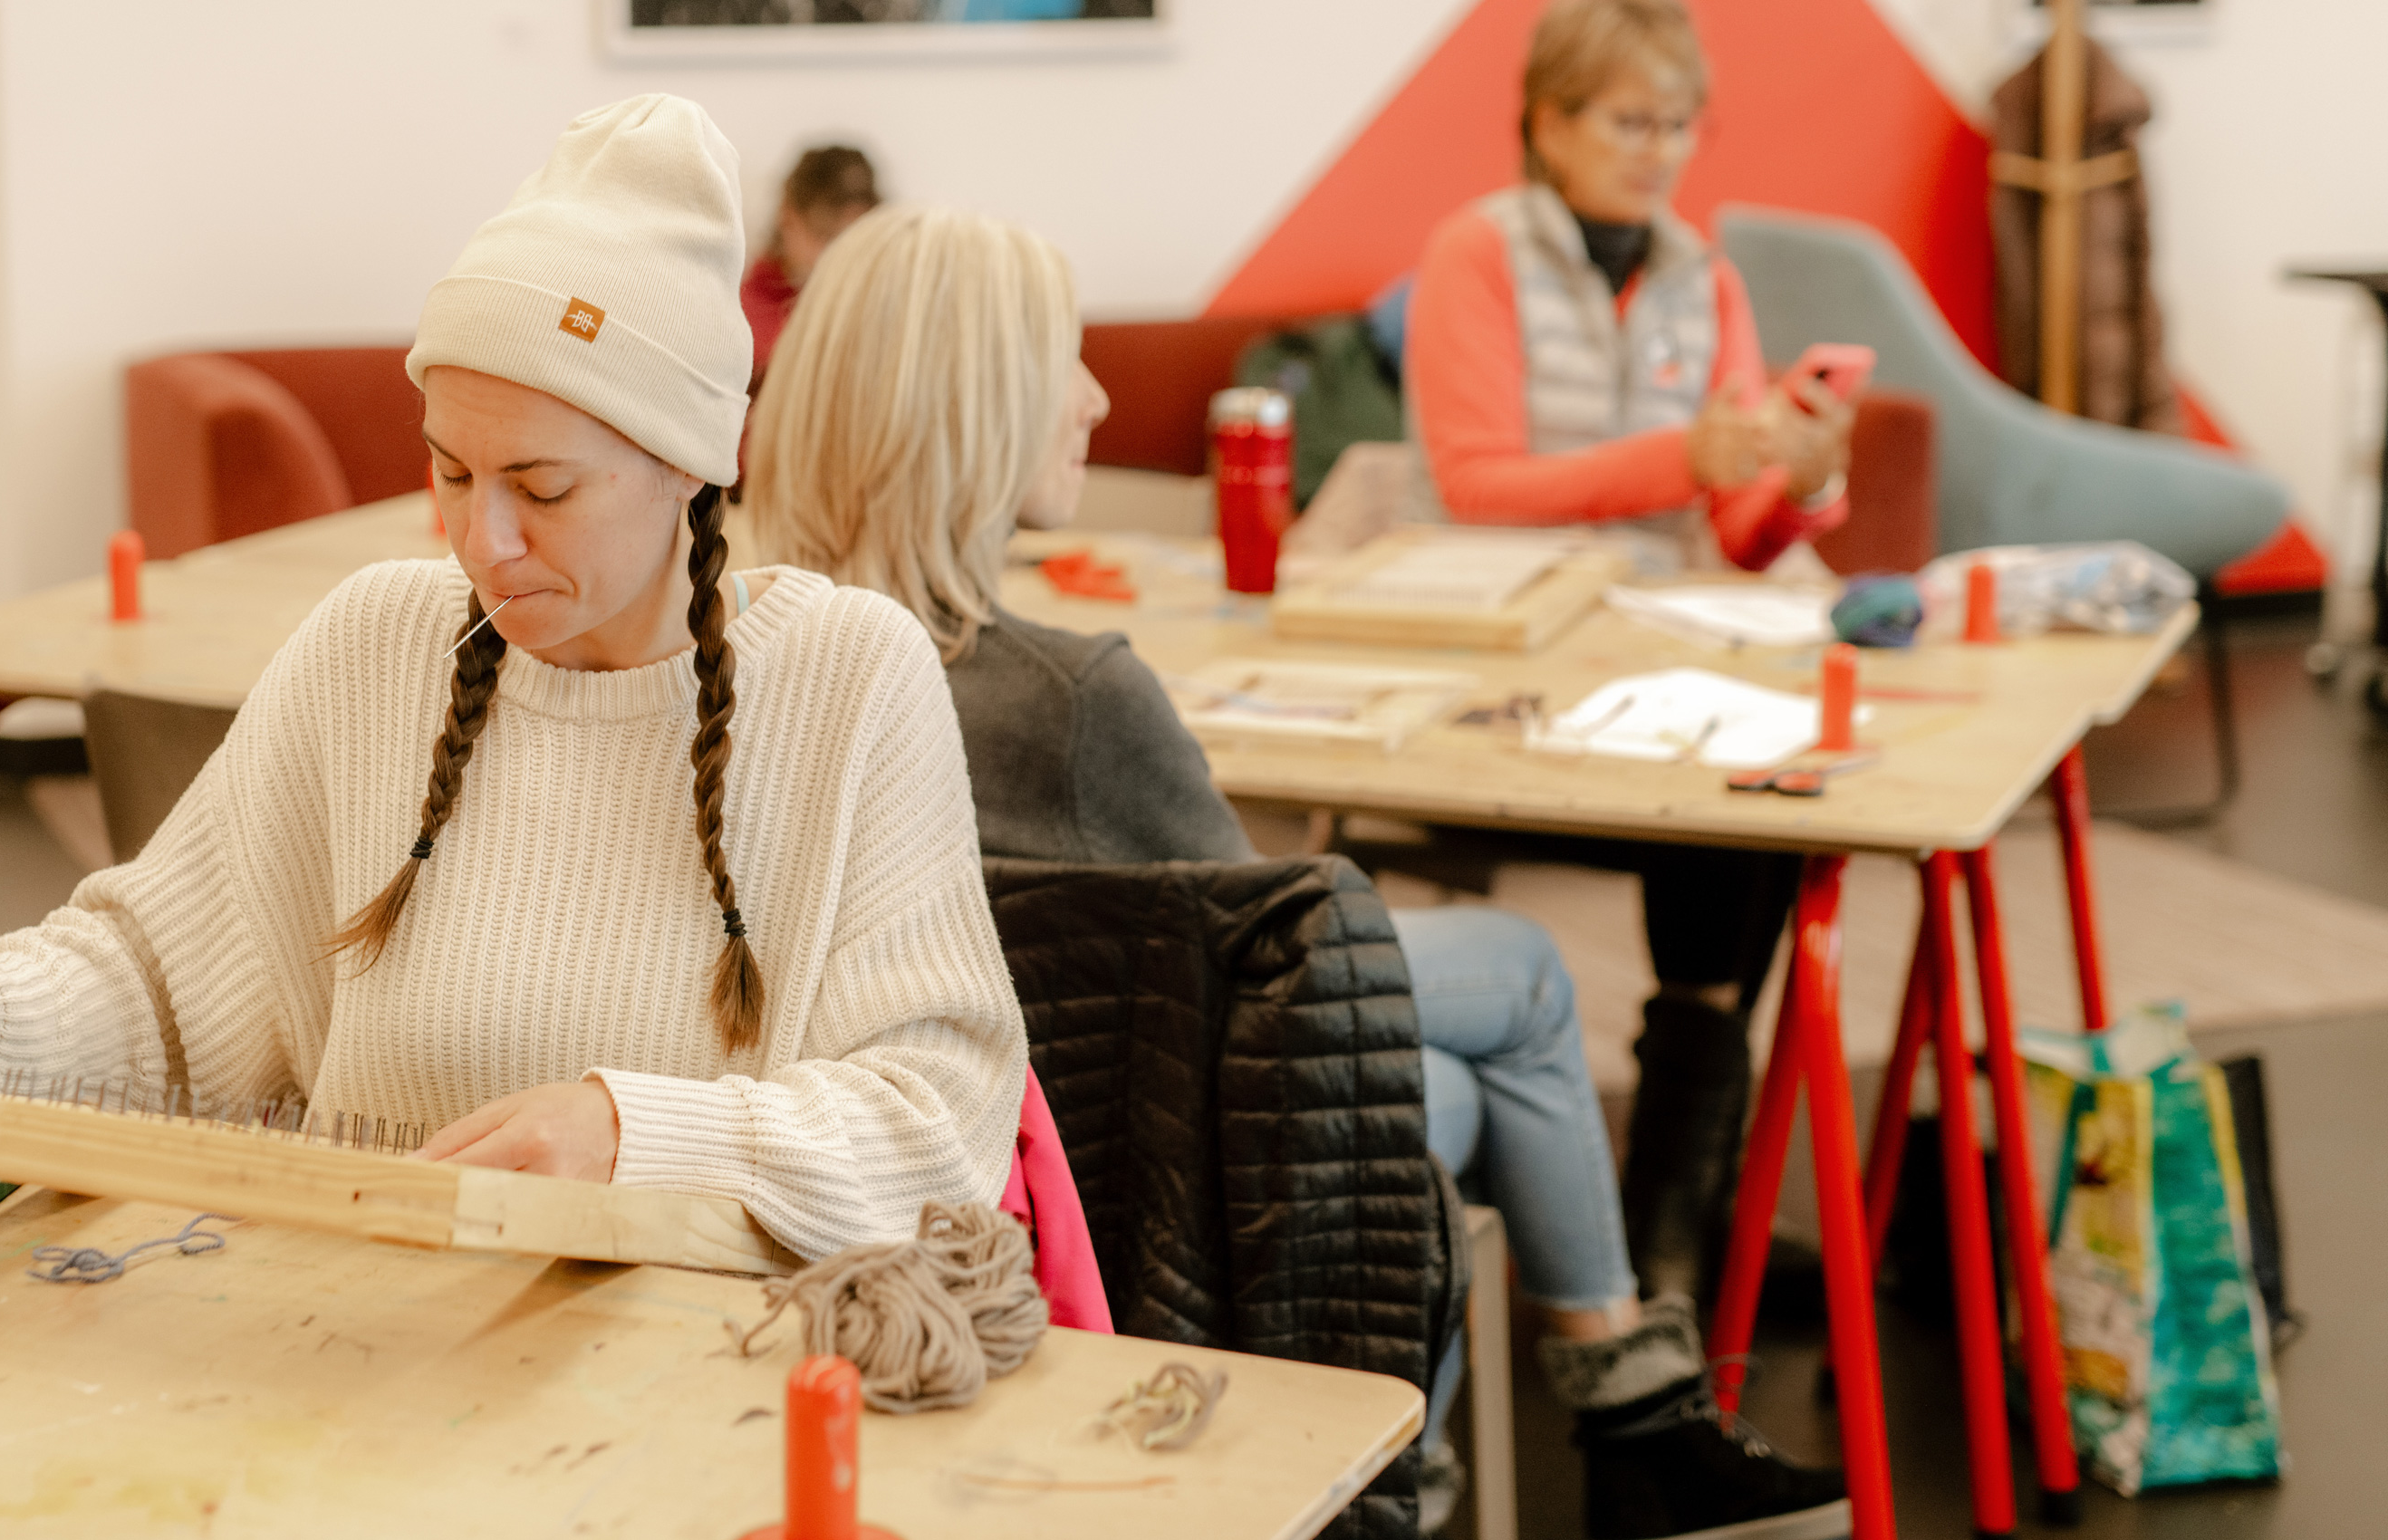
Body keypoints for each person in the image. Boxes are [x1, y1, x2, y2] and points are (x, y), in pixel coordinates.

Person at [0, 96, 1025, 1267]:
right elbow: (153, 988)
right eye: (452, 473)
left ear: (692, 462)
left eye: (544, 488)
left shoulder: (852, 680)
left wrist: (633, 1134)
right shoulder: (377, 645)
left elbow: (937, 1121)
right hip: (366, 1357)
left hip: (699, 1401)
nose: (481, 541)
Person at [742, 201, 1846, 1540]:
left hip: (913, 1170)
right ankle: (1613, 1423)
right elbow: (1295, 972)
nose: (1095, 397)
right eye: (1063, 367)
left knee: (1444, 1072)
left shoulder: (753, 672)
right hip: (1128, 1163)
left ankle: (1586, 1439)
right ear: (975, 412)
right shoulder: (1080, 700)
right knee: (1508, 998)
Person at [1390, 0, 1861, 1324]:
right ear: (1549, 121)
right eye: (1631, 120)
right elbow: (1476, 485)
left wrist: (1800, 482)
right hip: (1503, 665)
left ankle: (1668, 1235)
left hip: (1656, 657)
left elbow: (1736, 529)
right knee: (1733, 841)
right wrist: (1687, 459)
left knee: (1757, 826)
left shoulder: (1705, 273)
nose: (1661, 150)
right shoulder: (1475, 252)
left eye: (1679, 124)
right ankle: (1665, 1236)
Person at [739, 145, 881, 389]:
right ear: (788, 219)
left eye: (858, 238)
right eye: (827, 237)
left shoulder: (873, 301)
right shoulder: (746, 312)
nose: (843, 254)